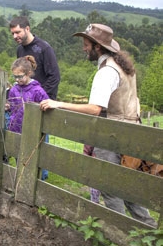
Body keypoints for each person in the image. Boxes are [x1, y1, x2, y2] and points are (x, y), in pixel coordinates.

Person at [40, 23, 157, 227]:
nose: (84, 48)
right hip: (131, 134)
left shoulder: (107, 72)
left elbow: (95, 108)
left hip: (111, 135)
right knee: (130, 189)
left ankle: (120, 234)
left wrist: (58, 103)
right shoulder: (123, 67)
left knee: (110, 188)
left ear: (97, 47)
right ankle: (149, 232)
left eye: (86, 44)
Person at [9, 16, 60, 100]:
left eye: (18, 32)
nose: (15, 36)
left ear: (27, 29)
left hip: (44, 101)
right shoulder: (19, 50)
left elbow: (54, 77)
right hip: (26, 102)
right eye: (13, 33)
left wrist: (39, 96)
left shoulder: (44, 48)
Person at [8, 55, 49, 134]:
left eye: (20, 76)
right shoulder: (13, 90)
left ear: (29, 73)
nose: (17, 79)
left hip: (32, 130)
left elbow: (46, 110)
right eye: (15, 76)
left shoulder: (38, 91)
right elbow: (12, 109)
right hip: (15, 129)